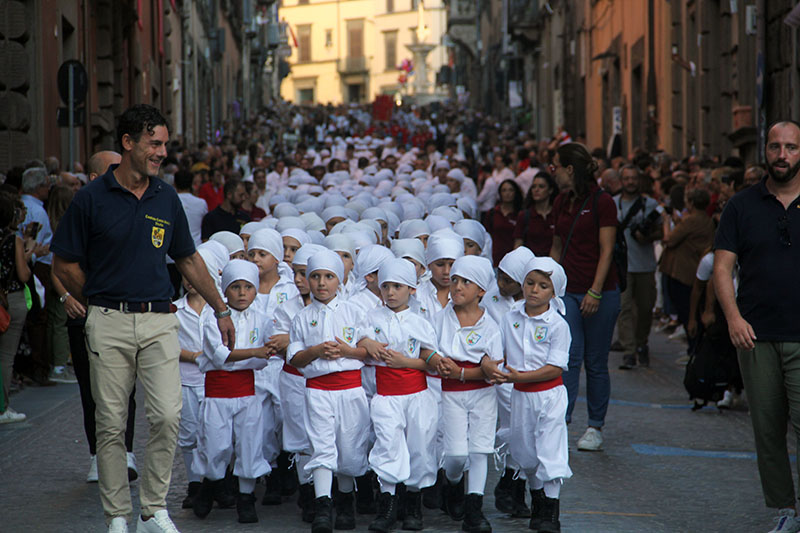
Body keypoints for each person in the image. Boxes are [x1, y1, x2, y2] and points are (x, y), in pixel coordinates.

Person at [51, 104, 235, 533]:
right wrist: (97, 300)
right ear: (128, 143)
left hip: (158, 321)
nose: (162, 152)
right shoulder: (90, 198)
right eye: (155, 143)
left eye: (165, 144)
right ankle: (117, 514)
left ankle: (152, 509)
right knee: (111, 423)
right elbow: (63, 263)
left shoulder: (165, 196)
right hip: (109, 322)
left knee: (168, 415)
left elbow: (187, 259)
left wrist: (222, 308)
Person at [713, 120, 800, 533]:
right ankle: (785, 510)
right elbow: (722, 267)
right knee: (767, 431)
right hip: (755, 336)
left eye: (791, 147)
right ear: (764, 151)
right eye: (775, 147)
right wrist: (733, 318)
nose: (782, 155)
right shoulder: (741, 206)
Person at [288, 249, 370, 533]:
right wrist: (316, 351)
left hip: (350, 390)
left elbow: (367, 351)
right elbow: (295, 358)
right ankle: (323, 505)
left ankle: (346, 500)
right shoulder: (301, 317)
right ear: (308, 281)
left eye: (328, 276)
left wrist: (347, 350)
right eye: (315, 277)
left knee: (349, 448)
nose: (322, 283)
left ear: (340, 280)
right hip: (318, 390)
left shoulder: (354, 311)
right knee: (321, 447)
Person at [357, 258, 439, 532]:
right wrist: (367, 342)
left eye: (398, 286)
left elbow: (429, 358)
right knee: (387, 445)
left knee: (418, 447)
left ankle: (413, 504)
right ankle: (388, 504)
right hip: (386, 394)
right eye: (386, 286)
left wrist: (406, 362)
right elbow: (361, 339)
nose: (391, 292)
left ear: (412, 289)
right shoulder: (371, 317)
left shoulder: (421, 322)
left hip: (416, 394)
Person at [549, 142, 620, 452]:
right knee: (568, 357)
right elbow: (555, 245)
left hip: (600, 291)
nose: (551, 171)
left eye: (555, 166)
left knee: (595, 361)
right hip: (567, 291)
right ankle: (561, 422)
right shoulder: (561, 202)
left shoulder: (603, 202)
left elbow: (607, 250)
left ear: (569, 169)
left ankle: (595, 426)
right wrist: (549, 283)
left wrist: (595, 290)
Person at [427, 255, 503, 533]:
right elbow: (427, 348)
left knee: (480, 450)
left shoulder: (491, 325)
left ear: (481, 290)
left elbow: (493, 368)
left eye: (466, 282)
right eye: (455, 280)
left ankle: (474, 510)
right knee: (457, 455)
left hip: (483, 394)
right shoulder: (439, 319)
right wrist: (436, 360)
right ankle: (454, 484)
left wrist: (464, 372)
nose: (457, 286)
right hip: (449, 395)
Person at [192, 260, 272, 524]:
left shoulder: (262, 319)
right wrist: (252, 353)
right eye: (234, 287)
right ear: (224, 291)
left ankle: (246, 498)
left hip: (248, 393)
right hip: (217, 394)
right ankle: (211, 484)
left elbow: (264, 359)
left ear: (255, 290)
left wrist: (247, 357)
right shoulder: (210, 318)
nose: (241, 293)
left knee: (249, 445)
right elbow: (219, 356)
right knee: (216, 446)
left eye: (247, 287)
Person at [499, 256, 573, 533]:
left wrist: (520, 376)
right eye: (530, 283)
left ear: (553, 292)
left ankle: (551, 512)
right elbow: (500, 352)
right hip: (519, 396)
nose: (534, 290)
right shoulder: (510, 318)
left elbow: (554, 367)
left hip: (549, 395)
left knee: (550, 451)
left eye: (543, 286)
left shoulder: (558, 325)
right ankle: (537, 498)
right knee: (525, 452)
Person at [613, 165, 663, 369]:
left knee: (644, 309)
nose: (630, 182)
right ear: (621, 180)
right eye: (627, 178)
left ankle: (642, 342)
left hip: (644, 265)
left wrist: (647, 236)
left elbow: (661, 232)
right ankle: (629, 350)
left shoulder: (649, 205)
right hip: (622, 267)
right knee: (623, 309)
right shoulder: (613, 204)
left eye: (634, 178)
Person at [659, 188, 715, 354]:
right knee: (691, 309)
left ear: (690, 203)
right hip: (694, 270)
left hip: (684, 273)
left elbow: (669, 239)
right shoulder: (707, 220)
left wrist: (665, 222)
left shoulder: (692, 220)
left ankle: (694, 349)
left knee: (687, 311)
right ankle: (695, 348)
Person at [0, 192, 36, 423]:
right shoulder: (13, 239)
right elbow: (23, 274)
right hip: (10, 299)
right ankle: (2, 407)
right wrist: (30, 250)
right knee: (6, 355)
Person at [19, 166, 55, 384]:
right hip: (35, 266)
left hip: (30, 264)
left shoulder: (23, 204)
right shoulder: (38, 211)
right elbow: (34, 245)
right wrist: (36, 252)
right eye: (47, 185)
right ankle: (38, 367)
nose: (49, 189)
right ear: (40, 187)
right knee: (38, 316)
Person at [513, 172, 557, 257]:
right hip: (530, 265)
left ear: (550, 190)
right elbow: (518, 245)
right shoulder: (524, 216)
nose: (536, 190)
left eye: (541, 186)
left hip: (553, 264)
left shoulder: (557, 214)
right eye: (533, 187)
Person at [484, 179, 524, 266]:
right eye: (504, 190)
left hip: (513, 260)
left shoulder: (521, 214)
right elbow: (486, 237)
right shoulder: (492, 213)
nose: (507, 193)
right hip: (494, 259)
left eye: (511, 190)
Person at [174, 169, 208, 247]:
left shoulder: (169, 201)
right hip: (196, 246)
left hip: (175, 248)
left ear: (175, 184)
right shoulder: (201, 203)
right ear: (191, 183)